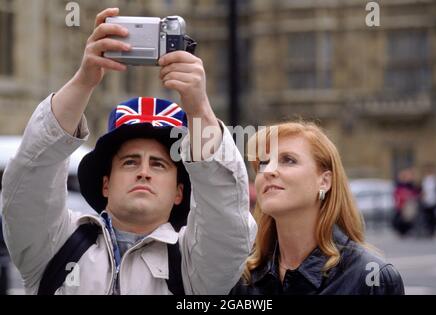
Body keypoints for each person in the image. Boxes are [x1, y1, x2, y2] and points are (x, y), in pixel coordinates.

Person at [1, 8, 256, 295]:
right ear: (106, 183)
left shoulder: (195, 269)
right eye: (130, 162)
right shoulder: (55, 248)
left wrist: (199, 108)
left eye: (159, 164)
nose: (144, 172)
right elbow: (28, 182)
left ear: (179, 192)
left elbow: (227, 221)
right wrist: (84, 80)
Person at [230, 120, 404, 294]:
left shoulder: (372, 279)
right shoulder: (242, 277)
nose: (268, 171)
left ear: (324, 181)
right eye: (263, 163)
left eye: (288, 160)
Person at [392, 168, 421, 237]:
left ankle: (407, 230)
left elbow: (416, 193)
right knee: (400, 218)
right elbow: (397, 193)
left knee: (408, 217)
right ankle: (402, 231)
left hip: (409, 204)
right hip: (401, 204)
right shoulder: (400, 184)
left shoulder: (412, 185)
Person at [420, 164, 436, 237]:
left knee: (433, 217)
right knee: (427, 217)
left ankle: (433, 231)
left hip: (434, 200)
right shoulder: (424, 180)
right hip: (426, 201)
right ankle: (428, 230)